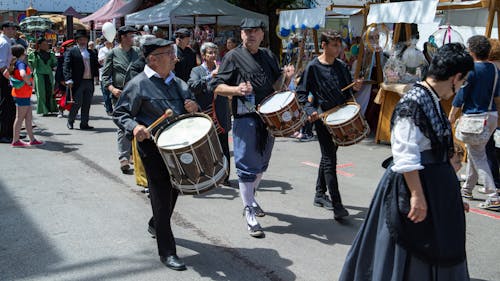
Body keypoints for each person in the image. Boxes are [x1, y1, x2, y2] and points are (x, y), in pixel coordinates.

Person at [339, 43, 474, 281]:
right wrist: (417, 196)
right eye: (462, 82)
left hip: (435, 189)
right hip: (415, 186)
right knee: (412, 247)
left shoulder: (430, 96)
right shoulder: (413, 102)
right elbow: (405, 154)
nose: (460, 88)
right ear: (455, 77)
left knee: (439, 246)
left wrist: (451, 194)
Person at [113, 37, 199, 271]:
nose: (174, 57)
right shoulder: (138, 84)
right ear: (152, 59)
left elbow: (191, 102)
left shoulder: (177, 82)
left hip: (178, 147)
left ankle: (155, 223)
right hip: (153, 148)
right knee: (161, 196)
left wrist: (193, 105)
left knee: (175, 190)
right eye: (168, 54)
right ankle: (167, 252)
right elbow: (120, 113)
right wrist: (135, 127)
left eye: (173, 53)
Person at [211, 18, 292, 238]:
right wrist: (237, 89)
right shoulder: (233, 56)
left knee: (262, 165)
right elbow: (216, 86)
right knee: (247, 167)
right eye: (247, 31)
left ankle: (251, 198)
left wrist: (287, 77)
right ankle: (249, 211)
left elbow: (277, 86)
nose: (251, 35)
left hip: (269, 119)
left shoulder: (268, 55)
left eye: (255, 31)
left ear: (262, 35)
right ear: (241, 34)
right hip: (245, 118)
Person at [296, 30, 363, 220]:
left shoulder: (341, 66)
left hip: (340, 119)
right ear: (324, 45)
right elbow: (301, 93)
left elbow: (347, 93)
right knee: (330, 161)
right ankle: (337, 205)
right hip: (324, 120)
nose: (338, 48)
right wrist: (310, 110)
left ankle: (319, 193)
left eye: (339, 44)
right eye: (334, 45)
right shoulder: (313, 67)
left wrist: (355, 89)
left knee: (328, 157)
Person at [449, 35, 500, 211]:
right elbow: (497, 96)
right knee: (474, 151)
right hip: (491, 115)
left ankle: (493, 195)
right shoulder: (494, 70)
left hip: (475, 117)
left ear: (471, 51)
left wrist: (451, 116)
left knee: (478, 155)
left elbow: (460, 97)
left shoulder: (471, 71)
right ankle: (468, 188)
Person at [188, 42, 231, 185]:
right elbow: (192, 86)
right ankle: (206, 175)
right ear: (203, 55)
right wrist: (209, 77)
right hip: (205, 113)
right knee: (204, 147)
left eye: (215, 52)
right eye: (210, 53)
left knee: (223, 145)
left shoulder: (222, 68)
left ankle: (225, 176)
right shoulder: (197, 70)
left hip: (220, 113)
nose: (213, 55)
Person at [102, 26, 141, 173]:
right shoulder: (113, 53)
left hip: (137, 93)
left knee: (137, 124)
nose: (134, 38)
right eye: (131, 36)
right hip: (120, 93)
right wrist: (112, 89)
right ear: (123, 37)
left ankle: (133, 154)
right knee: (122, 125)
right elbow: (105, 77)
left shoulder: (137, 52)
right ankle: (123, 158)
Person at [63, 29, 99, 130]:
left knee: (87, 103)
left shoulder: (91, 52)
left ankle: (84, 123)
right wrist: (68, 79)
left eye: (84, 39)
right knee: (76, 103)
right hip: (78, 81)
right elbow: (66, 66)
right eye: (81, 39)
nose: (83, 41)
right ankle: (70, 121)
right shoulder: (72, 51)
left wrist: (100, 65)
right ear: (77, 41)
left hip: (89, 81)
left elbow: (95, 65)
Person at [10, 45, 43, 147]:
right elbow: (23, 74)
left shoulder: (17, 63)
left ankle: (32, 139)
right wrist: (29, 83)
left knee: (28, 117)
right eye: (24, 52)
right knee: (20, 118)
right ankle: (15, 141)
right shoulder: (21, 64)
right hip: (22, 94)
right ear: (22, 53)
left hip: (23, 94)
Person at [28, 37, 58, 116]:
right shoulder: (33, 54)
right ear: (39, 45)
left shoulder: (50, 54)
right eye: (44, 44)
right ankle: (44, 110)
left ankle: (51, 108)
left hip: (48, 74)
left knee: (50, 91)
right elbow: (34, 65)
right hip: (39, 75)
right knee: (41, 93)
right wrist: (35, 56)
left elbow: (54, 64)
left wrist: (53, 56)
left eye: (47, 44)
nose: (46, 46)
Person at [0, 21, 17, 143]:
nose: (14, 31)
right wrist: (11, 79)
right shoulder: (4, 43)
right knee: (5, 106)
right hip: (4, 77)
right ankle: (4, 134)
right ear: (4, 29)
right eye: (11, 29)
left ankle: (11, 133)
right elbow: (1, 65)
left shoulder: (7, 41)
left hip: (6, 76)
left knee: (10, 106)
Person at [97, 40, 114, 115]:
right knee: (106, 93)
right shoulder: (102, 50)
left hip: (113, 75)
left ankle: (114, 108)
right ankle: (109, 109)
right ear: (105, 43)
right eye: (107, 42)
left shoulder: (114, 49)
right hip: (104, 74)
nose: (109, 43)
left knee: (113, 94)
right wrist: (109, 55)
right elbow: (100, 61)